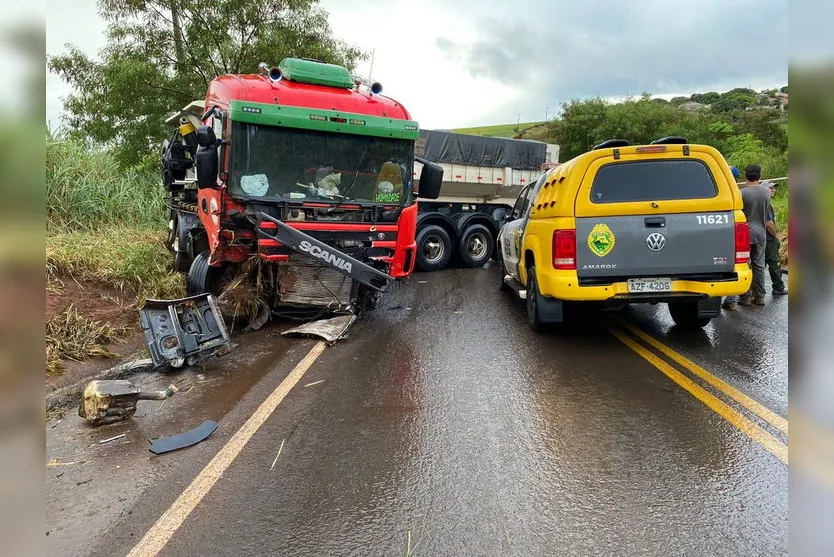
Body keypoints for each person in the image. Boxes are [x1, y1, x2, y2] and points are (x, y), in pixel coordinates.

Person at [737, 164, 771, 306]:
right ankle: (760, 296)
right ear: (759, 176)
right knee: (759, 266)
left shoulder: (742, 193)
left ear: (746, 176)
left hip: (745, 234)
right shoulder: (766, 192)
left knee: (744, 265)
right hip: (761, 233)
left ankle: (745, 296)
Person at [764, 180, 788, 296]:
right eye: (770, 188)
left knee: (758, 265)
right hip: (768, 239)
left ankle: (750, 291)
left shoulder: (763, 203)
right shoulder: (767, 204)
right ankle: (778, 287)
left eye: (774, 188)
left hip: (760, 239)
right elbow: (769, 223)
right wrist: (775, 237)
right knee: (774, 263)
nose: (774, 190)